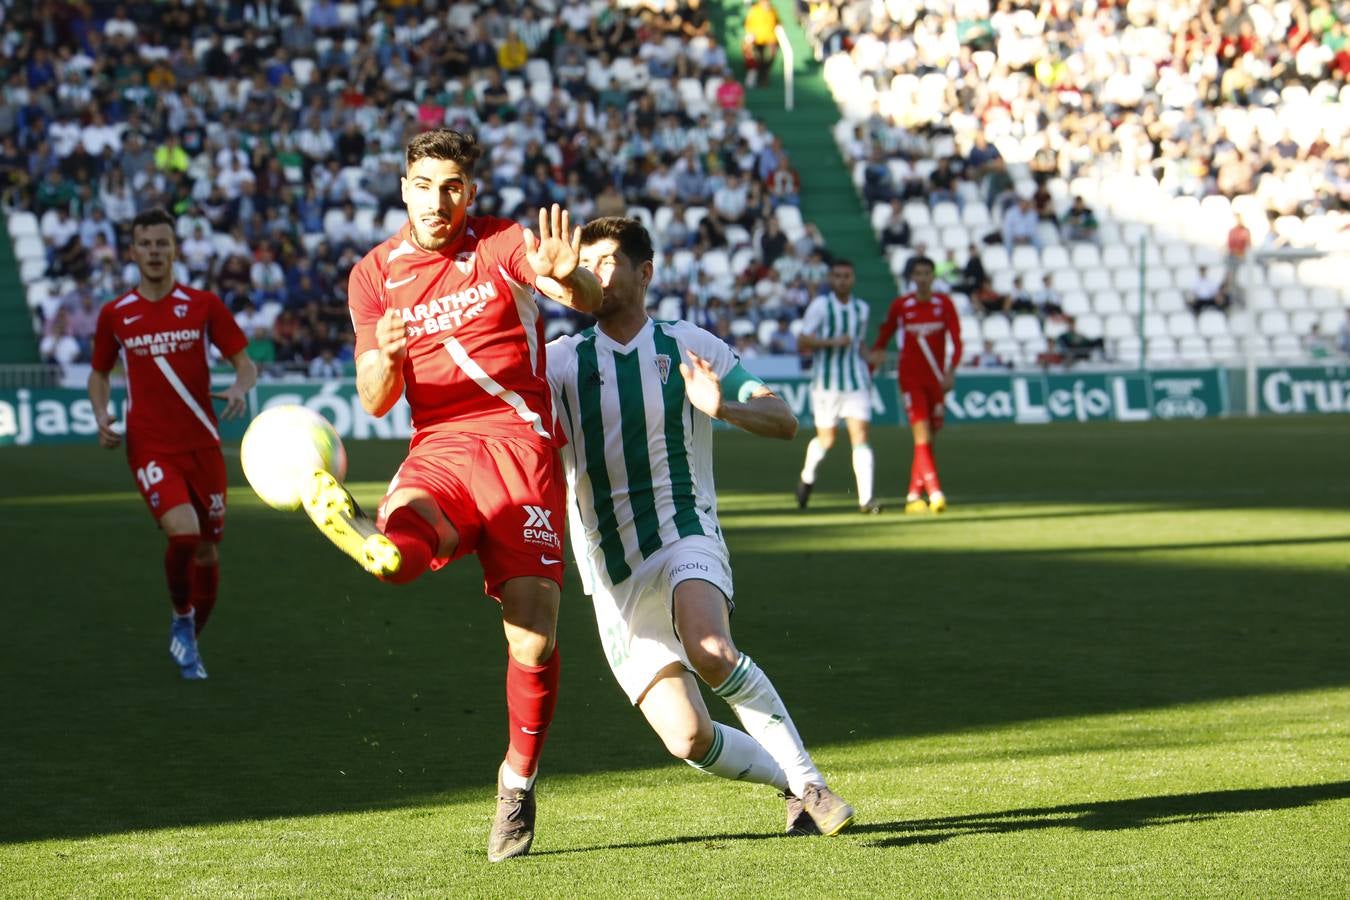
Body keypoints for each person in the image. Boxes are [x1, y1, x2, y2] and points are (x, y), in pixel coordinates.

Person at [298, 129, 602, 862]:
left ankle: (516, 784)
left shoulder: (501, 244)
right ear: (403, 187)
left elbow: (582, 299)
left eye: (454, 187)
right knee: (395, 556)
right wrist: (390, 359)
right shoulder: (373, 276)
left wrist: (571, 278)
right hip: (439, 448)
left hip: (519, 446)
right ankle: (365, 529)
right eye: (425, 185)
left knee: (533, 636)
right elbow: (375, 399)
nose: (439, 201)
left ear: (472, 192)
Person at [545, 217, 855, 838]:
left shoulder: (689, 344)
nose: (594, 275)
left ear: (645, 273)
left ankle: (812, 782)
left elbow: (784, 419)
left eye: (608, 262)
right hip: (612, 571)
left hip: (687, 533)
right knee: (687, 736)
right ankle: (789, 788)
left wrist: (723, 406)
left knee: (712, 650)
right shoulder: (558, 362)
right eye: (586, 264)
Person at [86, 208, 257, 680]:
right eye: (147, 244)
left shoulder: (203, 305)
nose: (155, 252)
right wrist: (103, 414)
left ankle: (189, 641)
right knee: (184, 533)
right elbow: (98, 375)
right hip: (150, 444)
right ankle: (182, 616)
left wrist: (241, 388)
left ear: (175, 249)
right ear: (134, 251)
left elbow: (245, 364)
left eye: (163, 243)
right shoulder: (116, 314)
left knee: (207, 551)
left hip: (203, 444)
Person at [870, 256, 963, 514]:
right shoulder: (901, 305)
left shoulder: (944, 304)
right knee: (921, 434)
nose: (922, 278)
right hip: (910, 379)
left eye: (927, 273)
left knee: (929, 438)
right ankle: (935, 493)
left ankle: (913, 495)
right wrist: (874, 355)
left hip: (936, 379)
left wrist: (950, 372)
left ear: (933, 277)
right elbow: (885, 334)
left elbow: (957, 341)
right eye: (918, 273)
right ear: (912, 278)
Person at [793, 259, 880, 514]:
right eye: (838, 276)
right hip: (826, 384)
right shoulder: (821, 306)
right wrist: (831, 342)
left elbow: (859, 344)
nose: (843, 280)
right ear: (831, 279)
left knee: (861, 436)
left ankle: (866, 500)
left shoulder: (862, 309)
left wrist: (870, 357)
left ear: (853, 279)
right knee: (827, 440)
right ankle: (807, 477)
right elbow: (802, 340)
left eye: (847, 276)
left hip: (857, 382)